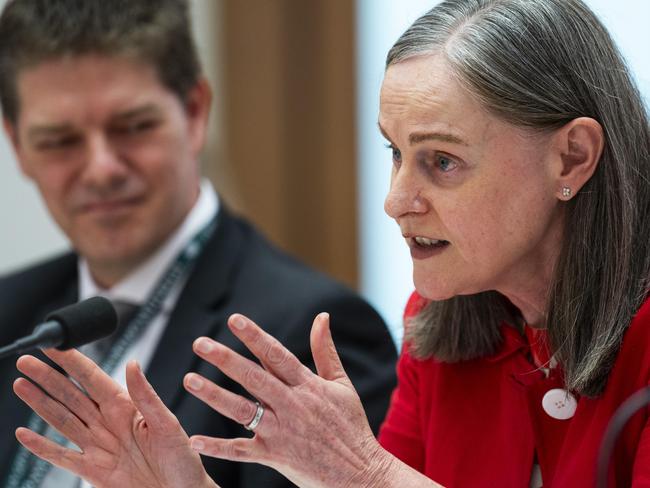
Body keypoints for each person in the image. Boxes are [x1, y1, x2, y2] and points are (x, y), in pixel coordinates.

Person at [10, 0, 650, 486]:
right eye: (396, 153)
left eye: (443, 161)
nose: (396, 200)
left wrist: (368, 475)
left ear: (571, 159)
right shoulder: (442, 328)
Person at [0, 0, 398, 487]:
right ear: (17, 145)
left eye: (133, 127)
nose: (101, 169)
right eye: (60, 140)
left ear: (194, 112)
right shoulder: (8, 318)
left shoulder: (302, 338)